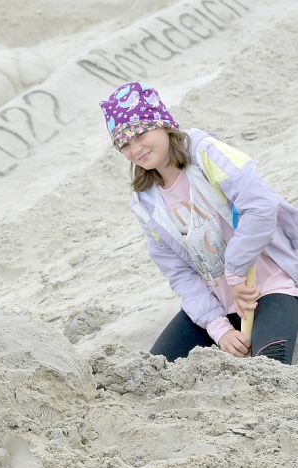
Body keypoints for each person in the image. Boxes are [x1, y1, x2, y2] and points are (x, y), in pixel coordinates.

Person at [100, 81, 298, 364]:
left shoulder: (206, 152)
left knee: (270, 363)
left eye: (141, 133)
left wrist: (236, 271)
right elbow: (179, 273)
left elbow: (261, 206)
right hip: (218, 302)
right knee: (155, 368)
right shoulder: (144, 202)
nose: (136, 149)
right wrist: (219, 329)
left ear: (162, 122)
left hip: (267, 285)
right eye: (124, 144)